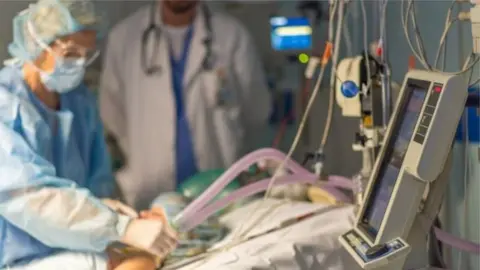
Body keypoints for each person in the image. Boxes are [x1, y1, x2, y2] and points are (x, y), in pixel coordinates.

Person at [0, 0, 177, 269]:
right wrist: (119, 226)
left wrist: (103, 207)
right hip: (18, 256)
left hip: (75, 241)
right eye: (70, 53)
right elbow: (28, 196)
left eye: (86, 54)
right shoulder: (6, 106)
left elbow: (98, 178)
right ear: (37, 44)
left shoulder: (78, 101)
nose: (79, 64)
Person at [100, 0, 272, 210]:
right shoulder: (124, 37)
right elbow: (111, 112)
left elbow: (256, 109)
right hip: (148, 188)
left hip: (220, 185)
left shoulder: (232, 36)